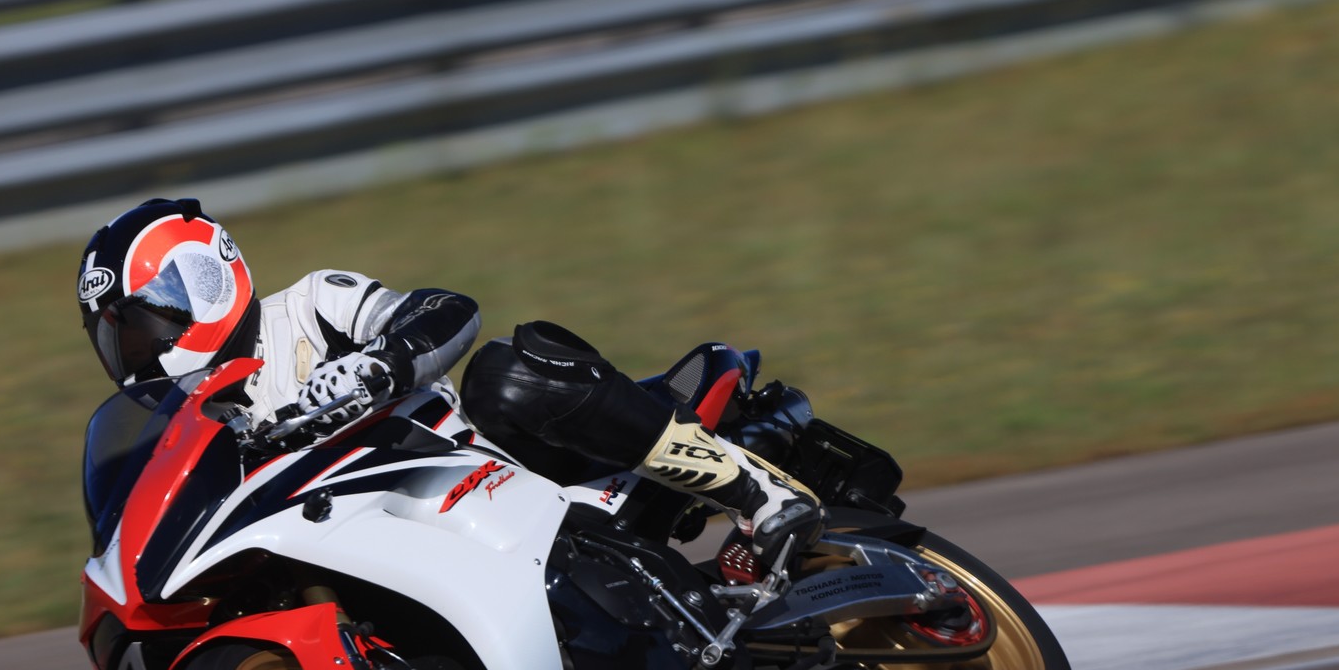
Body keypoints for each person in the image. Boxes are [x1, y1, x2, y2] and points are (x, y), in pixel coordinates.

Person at [77, 197, 821, 563]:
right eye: (119, 340)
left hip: (501, 485)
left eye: (143, 324)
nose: (139, 353)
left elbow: (446, 310)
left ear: (202, 284)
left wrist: (380, 363)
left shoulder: (306, 307)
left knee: (504, 371)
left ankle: (755, 491)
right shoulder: (191, 427)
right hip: (398, 554)